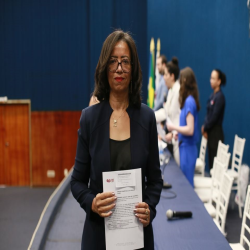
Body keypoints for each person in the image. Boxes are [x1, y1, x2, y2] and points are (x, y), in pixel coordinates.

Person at [71, 30, 163, 250]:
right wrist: (91, 202)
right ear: (105, 67)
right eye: (113, 61)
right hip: (98, 237)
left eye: (125, 61)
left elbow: (155, 181)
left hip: (137, 237)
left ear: (133, 69)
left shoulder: (147, 118)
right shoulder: (89, 119)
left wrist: (149, 207)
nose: (119, 68)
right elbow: (77, 182)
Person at [167, 67, 200, 187]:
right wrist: (178, 133)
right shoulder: (188, 100)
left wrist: (174, 127)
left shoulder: (189, 102)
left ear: (185, 81)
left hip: (188, 149)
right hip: (184, 147)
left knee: (187, 185)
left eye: (181, 80)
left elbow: (190, 130)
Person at [155, 57, 180, 165]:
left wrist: (173, 133)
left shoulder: (178, 91)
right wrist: (150, 116)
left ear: (172, 76)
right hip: (173, 137)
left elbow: (175, 116)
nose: (163, 78)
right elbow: (165, 112)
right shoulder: (171, 91)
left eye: (165, 75)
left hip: (178, 139)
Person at [202, 69, 226, 170]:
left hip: (216, 135)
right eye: (210, 78)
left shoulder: (220, 97)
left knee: (215, 166)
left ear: (219, 81)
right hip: (210, 133)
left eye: (213, 78)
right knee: (211, 164)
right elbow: (208, 114)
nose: (210, 80)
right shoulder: (212, 96)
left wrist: (205, 127)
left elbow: (214, 117)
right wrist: (205, 127)